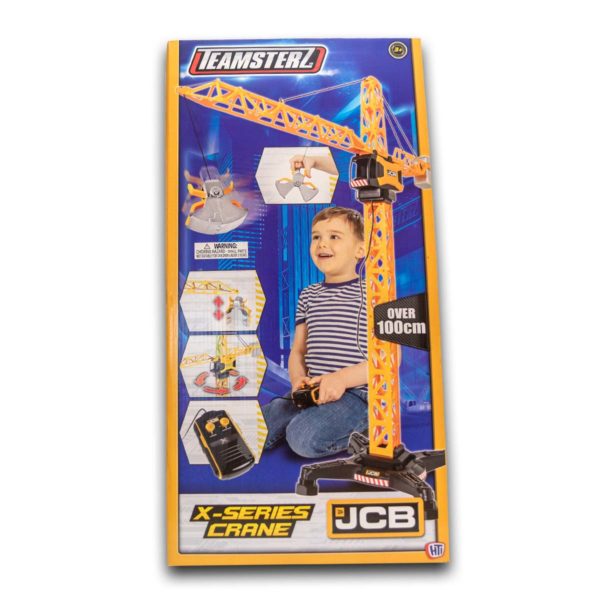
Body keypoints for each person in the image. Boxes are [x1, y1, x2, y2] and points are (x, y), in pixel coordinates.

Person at [262, 205, 369, 458]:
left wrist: (341, 379)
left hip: (357, 393)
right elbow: (298, 351)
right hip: (312, 389)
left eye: (334, 236)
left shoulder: (375, 292)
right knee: (258, 426)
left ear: (360, 249)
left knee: (302, 437)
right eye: (316, 237)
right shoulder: (308, 295)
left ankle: (364, 429)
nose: (322, 243)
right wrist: (298, 379)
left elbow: (388, 361)